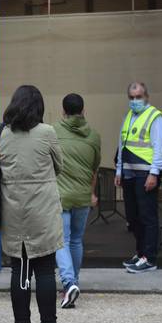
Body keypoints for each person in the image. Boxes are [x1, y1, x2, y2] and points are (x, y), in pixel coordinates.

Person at [0, 85, 67, 323]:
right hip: (42, 209)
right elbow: (59, 165)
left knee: (20, 269)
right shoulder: (47, 132)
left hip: (13, 210)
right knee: (46, 270)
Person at [53, 93, 101, 308]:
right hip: (82, 196)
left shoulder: (53, 132)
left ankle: (69, 283)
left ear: (63, 111)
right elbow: (94, 169)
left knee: (62, 240)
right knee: (76, 240)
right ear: (84, 111)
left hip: (60, 196)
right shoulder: (94, 136)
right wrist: (91, 193)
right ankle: (73, 283)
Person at [114, 82, 162, 274]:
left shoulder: (155, 117)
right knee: (133, 217)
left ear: (147, 96)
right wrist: (119, 170)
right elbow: (122, 144)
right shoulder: (128, 116)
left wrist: (154, 173)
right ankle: (141, 253)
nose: (135, 101)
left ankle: (150, 258)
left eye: (139, 97)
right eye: (131, 97)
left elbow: (159, 147)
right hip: (129, 173)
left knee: (147, 217)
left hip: (145, 175)